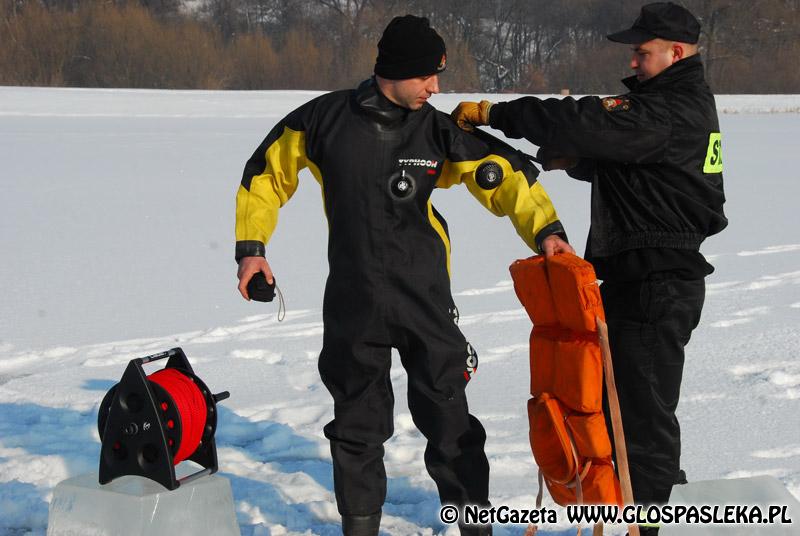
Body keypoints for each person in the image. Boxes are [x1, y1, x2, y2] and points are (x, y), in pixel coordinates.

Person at [234, 15, 573, 536]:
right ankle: (360, 526)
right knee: (356, 426)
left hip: (425, 298)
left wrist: (546, 231)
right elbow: (264, 176)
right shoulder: (323, 121)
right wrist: (252, 249)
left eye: (437, 75)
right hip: (354, 299)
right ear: (393, 70)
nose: (435, 87)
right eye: (425, 76)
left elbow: (505, 176)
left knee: (450, 422)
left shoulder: (435, 130)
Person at [451, 3, 727, 534]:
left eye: (642, 52)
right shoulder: (674, 108)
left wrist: (495, 113)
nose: (633, 60)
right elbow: (641, 171)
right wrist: (578, 161)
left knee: (642, 420)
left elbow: (580, 119)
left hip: (657, 285)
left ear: (676, 52)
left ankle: (650, 525)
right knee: (621, 408)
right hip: (644, 279)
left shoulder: (669, 107)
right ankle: (641, 514)